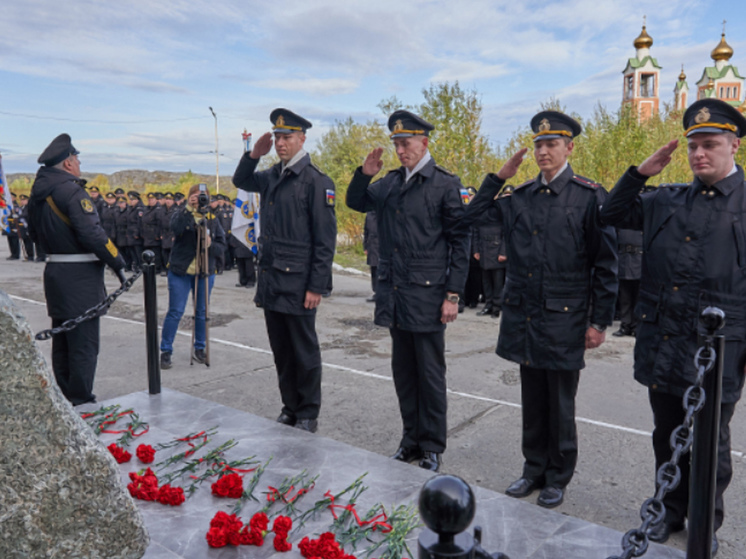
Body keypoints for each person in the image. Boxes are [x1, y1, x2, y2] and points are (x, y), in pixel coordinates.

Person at [600, 99, 746, 553]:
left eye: (710, 144)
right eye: (693, 147)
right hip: (664, 339)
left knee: (710, 444)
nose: (700, 154)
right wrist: (640, 172)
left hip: (718, 349)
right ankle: (668, 511)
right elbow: (610, 213)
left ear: (734, 145)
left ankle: (705, 521)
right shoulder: (666, 199)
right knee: (666, 435)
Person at [463, 111, 617, 506]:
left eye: (552, 144)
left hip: (565, 317)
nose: (543, 151)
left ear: (569, 147)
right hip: (525, 313)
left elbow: (605, 263)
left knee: (561, 403)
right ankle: (532, 469)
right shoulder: (520, 195)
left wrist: (599, 320)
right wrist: (497, 178)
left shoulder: (588, 196)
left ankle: (557, 477)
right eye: (538, 144)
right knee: (532, 399)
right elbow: (472, 217)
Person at [346, 110, 470, 472]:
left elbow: (459, 242)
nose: (402, 150)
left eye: (407, 143)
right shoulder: (389, 183)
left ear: (425, 142)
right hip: (396, 294)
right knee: (404, 372)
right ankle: (410, 440)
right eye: (397, 144)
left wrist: (453, 294)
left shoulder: (445, 184)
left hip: (429, 296)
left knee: (430, 374)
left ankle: (432, 446)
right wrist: (363, 175)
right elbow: (357, 202)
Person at [232, 108, 337, 433]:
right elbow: (242, 180)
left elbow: (325, 240)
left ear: (302, 138)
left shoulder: (316, 182)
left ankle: (307, 412)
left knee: (303, 351)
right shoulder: (271, 175)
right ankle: (290, 406)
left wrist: (317, 286)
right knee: (281, 350)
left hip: (300, 282)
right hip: (272, 279)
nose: (280, 143)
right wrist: (254, 154)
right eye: (277, 137)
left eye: (286, 137)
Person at [27, 133, 126, 405]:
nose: (80, 162)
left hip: (56, 273)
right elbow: (93, 234)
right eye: (77, 158)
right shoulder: (71, 191)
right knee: (83, 344)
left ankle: (65, 398)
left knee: (62, 340)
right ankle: (82, 401)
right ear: (69, 163)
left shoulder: (39, 194)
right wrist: (118, 262)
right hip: (80, 278)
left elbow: (33, 234)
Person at [159, 184, 226, 369]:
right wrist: (189, 208)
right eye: (196, 195)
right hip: (181, 271)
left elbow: (222, 247)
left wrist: (211, 244)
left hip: (204, 273)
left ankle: (200, 347)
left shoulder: (212, 219)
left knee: (202, 312)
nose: (200, 199)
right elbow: (175, 228)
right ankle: (166, 350)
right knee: (176, 311)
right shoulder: (182, 213)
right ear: (190, 197)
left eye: (203, 195)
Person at [475, 185, 512, 318]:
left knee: (498, 282)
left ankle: (497, 307)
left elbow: (507, 232)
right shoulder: (481, 207)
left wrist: (504, 252)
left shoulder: (502, 207)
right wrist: (476, 249)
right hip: (484, 248)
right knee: (486, 281)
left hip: (497, 249)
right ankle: (488, 305)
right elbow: (475, 230)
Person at [613, 227, 643, 337]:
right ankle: (625, 325)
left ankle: (635, 326)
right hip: (624, 259)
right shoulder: (621, 222)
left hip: (639, 259)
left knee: (637, 297)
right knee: (624, 297)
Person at [141, 192, 163, 274]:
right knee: (148, 251)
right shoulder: (147, 209)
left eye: (152, 199)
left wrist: (158, 234)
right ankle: (150, 267)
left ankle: (157, 268)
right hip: (147, 234)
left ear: (156, 200)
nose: (150, 201)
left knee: (156, 253)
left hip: (154, 233)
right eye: (149, 199)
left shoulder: (158, 209)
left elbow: (159, 223)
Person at [363, 210, 379, 302]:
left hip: (381, 245)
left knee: (380, 269)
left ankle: (380, 292)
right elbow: (366, 230)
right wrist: (365, 246)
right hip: (371, 245)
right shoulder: (369, 214)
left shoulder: (383, 212)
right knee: (373, 268)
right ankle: (376, 291)